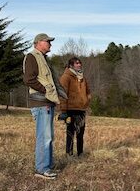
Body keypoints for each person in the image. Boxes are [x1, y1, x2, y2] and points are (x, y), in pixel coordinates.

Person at [23, 33, 67, 179]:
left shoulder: (44, 59)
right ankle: (42, 169)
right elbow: (29, 79)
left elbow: (51, 80)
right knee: (44, 136)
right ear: (38, 42)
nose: (50, 44)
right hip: (41, 103)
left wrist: (58, 93)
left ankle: (47, 166)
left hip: (47, 102)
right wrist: (46, 91)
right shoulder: (32, 57)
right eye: (47, 41)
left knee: (49, 136)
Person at [58, 56, 91, 157]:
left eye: (80, 63)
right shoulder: (66, 77)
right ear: (71, 65)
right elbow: (62, 94)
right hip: (70, 109)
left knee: (80, 133)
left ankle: (80, 154)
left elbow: (88, 92)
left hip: (81, 109)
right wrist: (63, 110)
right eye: (76, 63)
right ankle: (69, 154)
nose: (79, 65)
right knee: (70, 133)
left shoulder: (82, 77)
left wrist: (86, 101)